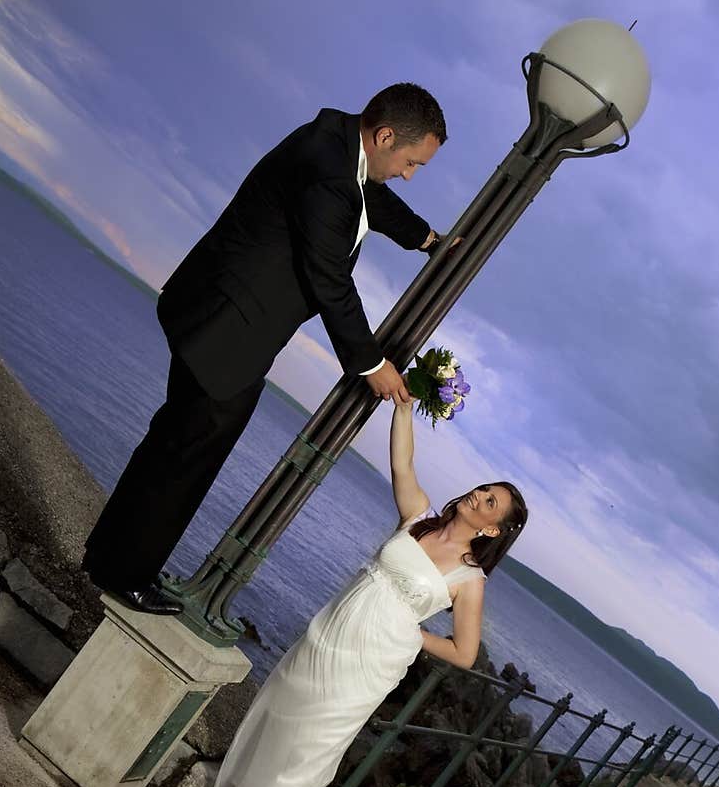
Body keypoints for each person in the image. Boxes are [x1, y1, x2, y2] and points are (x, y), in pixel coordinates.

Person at [82, 83, 449, 614]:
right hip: (228, 334)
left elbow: (372, 196)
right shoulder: (328, 170)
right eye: (412, 162)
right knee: (186, 457)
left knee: (170, 445)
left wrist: (428, 240)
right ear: (386, 135)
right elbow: (328, 278)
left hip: (218, 317)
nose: (410, 174)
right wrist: (371, 363)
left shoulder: (337, 146)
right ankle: (126, 573)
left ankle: (110, 554)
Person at [163, 401, 528, 787]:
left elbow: (464, 652)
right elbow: (403, 463)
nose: (479, 496)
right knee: (275, 722)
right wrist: (404, 407)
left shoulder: (470, 579)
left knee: (306, 757)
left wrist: (415, 636)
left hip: (372, 664)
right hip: (328, 633)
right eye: (483, 489)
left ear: (494, 528)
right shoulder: (419, 517)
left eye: (491, 502)